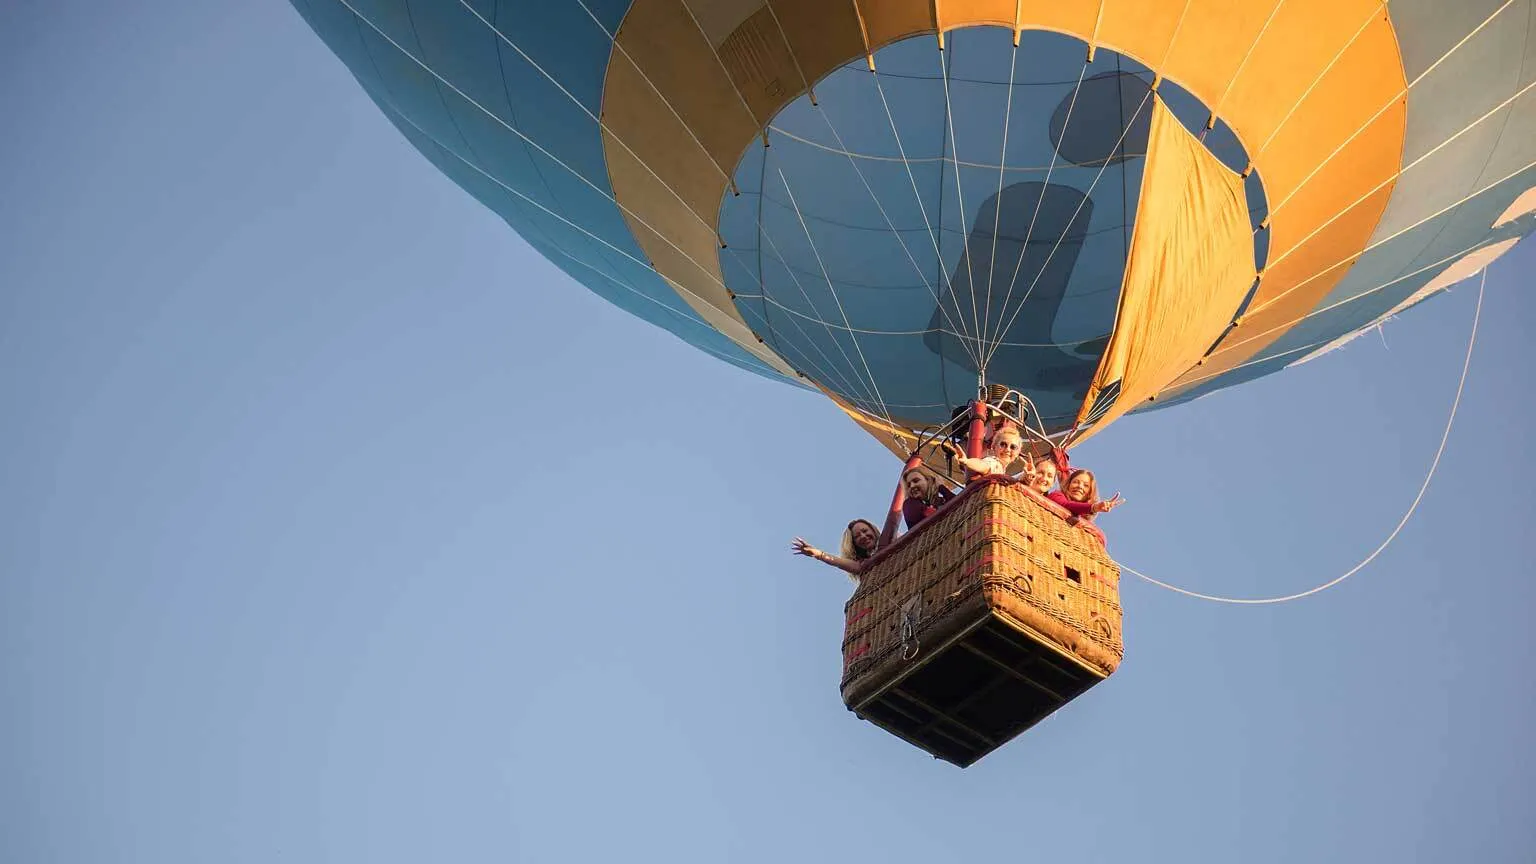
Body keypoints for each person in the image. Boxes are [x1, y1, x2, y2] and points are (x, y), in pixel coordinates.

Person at [1047, 468, 1124, 546]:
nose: (1080, 486)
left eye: (1086, 485)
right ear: (1068, 485)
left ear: (1090, 492)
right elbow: (1066, 505)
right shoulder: (1056, 495)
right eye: (1075, 482)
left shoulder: (1085, 525)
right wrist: (1094, 507)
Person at [792, 518, 880, 582]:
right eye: (857, 536)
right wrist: (818, 554)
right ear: (855, 545)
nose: (863, 536)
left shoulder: (892, 542)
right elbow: (840, 562)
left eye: (865, 531)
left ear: (873, 530)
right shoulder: (862, 565)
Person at [950, 426, 1025, 478]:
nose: (1008, 449)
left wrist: (1027, 477)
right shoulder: (994, 462)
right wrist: (967, 461)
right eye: (1003, 444)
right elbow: (984, 465)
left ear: (1017, 453)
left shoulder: (1002, 469)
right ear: (994, 446)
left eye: (1013, 447)